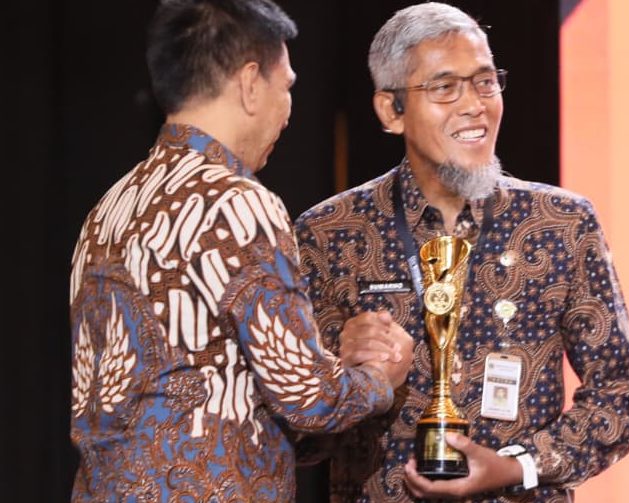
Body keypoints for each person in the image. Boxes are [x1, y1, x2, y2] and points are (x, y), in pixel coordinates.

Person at [294, 2, 629, 501]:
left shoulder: (560, 224)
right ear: (391, 110)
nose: (474, 105)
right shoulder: (331, 233)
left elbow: (620, 394)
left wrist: (515, 467)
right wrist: (341, 373)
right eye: (444, 88)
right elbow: (297, 437)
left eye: (485, 82)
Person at [68, 0, 413, 500]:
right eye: (286, 86)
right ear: (251, 82)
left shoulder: (109, 208)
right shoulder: (237, 202)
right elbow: (308, 397)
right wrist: (380, 378)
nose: (288, 111)